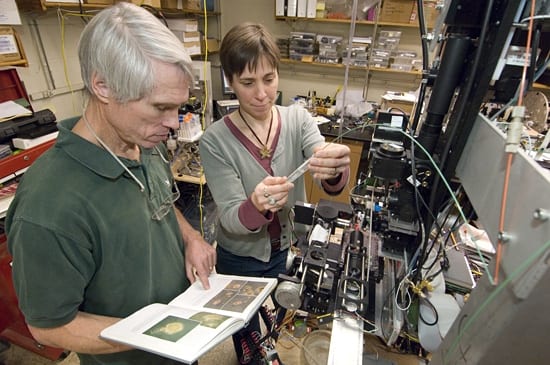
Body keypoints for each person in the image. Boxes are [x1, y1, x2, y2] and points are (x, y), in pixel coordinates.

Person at [5, 3, 216, 365]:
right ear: (102, 86)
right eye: (159, 107)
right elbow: (50, 327)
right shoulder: (48, 207)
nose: (173, 123)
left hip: (179, 346)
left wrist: (192, 238)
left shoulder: (141, 141)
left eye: (178, 107)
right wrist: (155, 333)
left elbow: (158, 205)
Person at [199, 22, 351, 364]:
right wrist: (255, 205)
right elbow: (229, 217)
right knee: (247, 336)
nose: (261, 94)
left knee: (282, 327)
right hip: (239, 258)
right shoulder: (215, 140)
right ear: (230, 81)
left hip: (286, 251)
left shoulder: (297, 119)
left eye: (269, 79)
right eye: (248, 83)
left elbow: (326, 167)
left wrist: (334, 167)